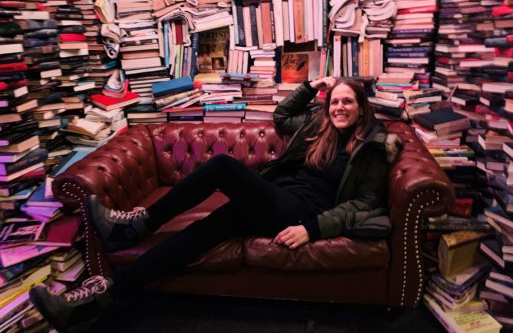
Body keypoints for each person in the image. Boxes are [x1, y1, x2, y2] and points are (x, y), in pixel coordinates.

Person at [29, 77, 401, 333]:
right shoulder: (317, 126)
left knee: (223, 166)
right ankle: (100, 299)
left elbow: (367, 207)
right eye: (334, 100)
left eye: (347, 101)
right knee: (200, 233)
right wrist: (310, 87)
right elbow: (282, 116)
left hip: (301, 213)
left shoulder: (371, 147)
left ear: (361, 107)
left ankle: (136, 225)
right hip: (274, 199)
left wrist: (314, 229)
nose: (339, 107)